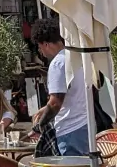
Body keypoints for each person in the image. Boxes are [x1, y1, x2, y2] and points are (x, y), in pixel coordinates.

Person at [31, 21, 91, 159]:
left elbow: (55, 103)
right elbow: (72, 94)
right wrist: (44, 109)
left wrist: (40, 125)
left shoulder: (58, 64)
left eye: (40, 47)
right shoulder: (76, 58)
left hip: (69, 127)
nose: (41, 52)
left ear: (46, 44)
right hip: (83, 124)